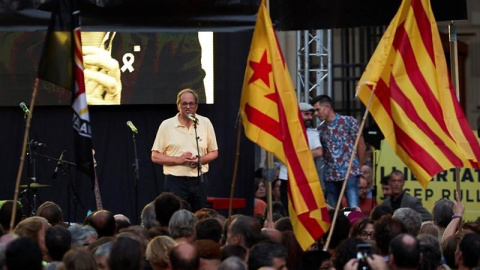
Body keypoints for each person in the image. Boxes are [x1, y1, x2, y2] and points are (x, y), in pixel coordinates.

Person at [151, 88, 218, 212]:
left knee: (199, 217)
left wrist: (200, 160)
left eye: (191, 103)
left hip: (199, 180)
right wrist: (178, 159)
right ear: (178, 106)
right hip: (175, 181)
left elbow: (214, 152)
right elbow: (155, 156)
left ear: (196, 106)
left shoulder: (205, 123)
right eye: (184, 104)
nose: (188, 107)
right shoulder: (167, 125)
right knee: (175, 217)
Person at [311, 95, 365, 208]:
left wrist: (358, 167)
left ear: (327, 107)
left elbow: (361, 145)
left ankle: (352, 225)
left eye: (317, 110)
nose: (316, 114)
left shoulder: (348, 121)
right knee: (334, 210)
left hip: (349, 172)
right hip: (330, 175)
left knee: (352, 208)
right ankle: (339, 226)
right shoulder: (320, 130)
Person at [278, 102, 323, 209]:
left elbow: (319, 152)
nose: (310, 118)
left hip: (306, 178)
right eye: (306, 114)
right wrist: (306, 154)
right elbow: (280, 153)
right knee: (288, 209)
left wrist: (294, 156)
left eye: (311, 115)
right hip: (287, 178)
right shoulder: (284, 133)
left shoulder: (313, 133)